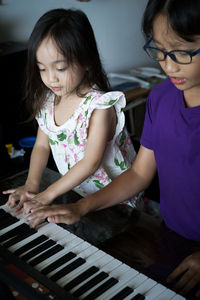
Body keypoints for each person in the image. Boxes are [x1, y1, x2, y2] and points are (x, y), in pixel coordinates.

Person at [24, 0, 200, 298]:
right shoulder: (160, 97)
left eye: (182, 51)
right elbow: (140, 174)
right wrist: (80, 207)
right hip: (172, 235)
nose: (168, 65)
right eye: (159, 51)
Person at [3, 9, 138, 213]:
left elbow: (91, 162)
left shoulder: (99, 106)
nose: (51, 78)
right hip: (79, 196)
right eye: (42, 68)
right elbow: (41, 145)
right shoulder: (48, 100)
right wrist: (31, 185)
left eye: (60, 68)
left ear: (87, 61)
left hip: (114, 200)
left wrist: (48, 194)